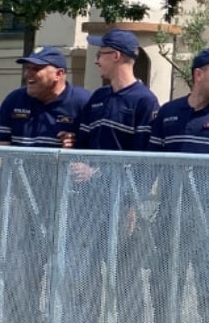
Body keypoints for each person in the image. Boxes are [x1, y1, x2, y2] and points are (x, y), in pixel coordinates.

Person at [0, 46, 91, 319]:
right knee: (17, 268)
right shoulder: (15, 100)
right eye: (28, 68)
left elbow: (94, 153)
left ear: (59, 74)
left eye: (37, 69)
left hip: (68, 204)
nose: (29, 74)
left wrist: (77, 155)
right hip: (20, 200)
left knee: (70, 273)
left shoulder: (83, 102)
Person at [66, 29, 161, 323]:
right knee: (84, 276)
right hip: (88, 205)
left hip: (121, 206)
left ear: (116, 56)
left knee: (126, 280)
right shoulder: (98, 97)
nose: (96, 61)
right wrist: (70, 145)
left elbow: (147, 162)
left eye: (101, 54)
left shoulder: (144, 101)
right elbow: (81, 143)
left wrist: (133, 206)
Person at [148, 46, 209, 323]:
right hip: (170, 221)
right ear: (198, 74)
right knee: (164, 292)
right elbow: (149, 167)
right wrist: (135, 208)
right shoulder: (168, 113)